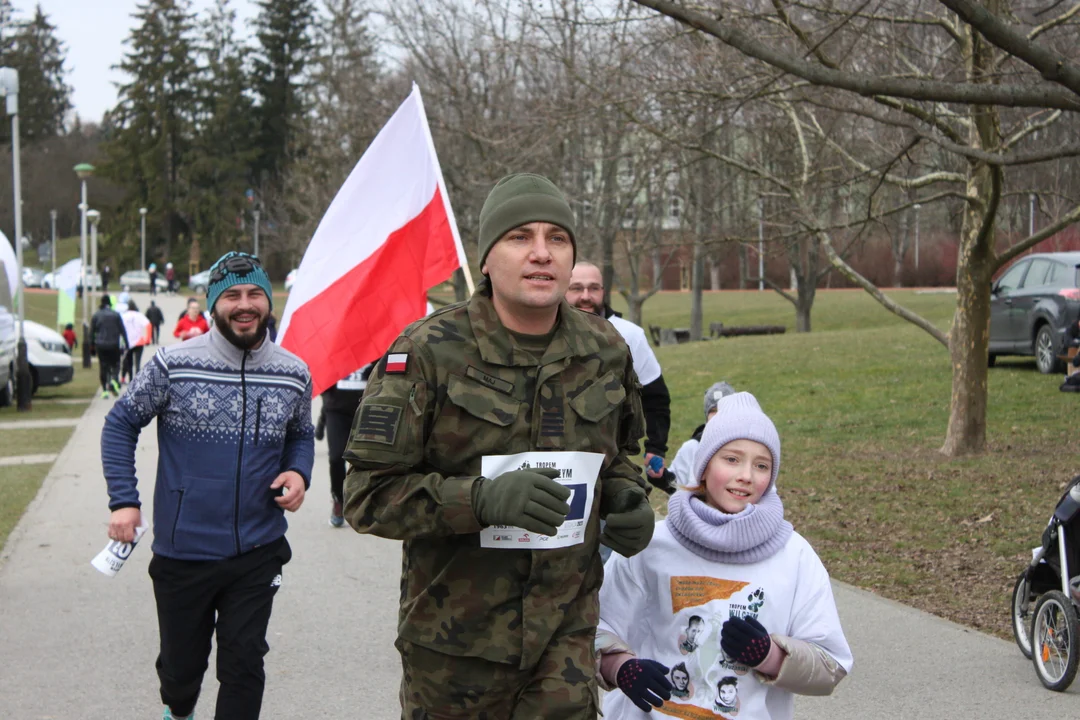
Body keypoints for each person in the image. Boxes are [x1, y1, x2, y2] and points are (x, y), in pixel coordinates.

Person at [343, 172, 654, 718]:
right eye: (520, 237)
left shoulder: (606, 348)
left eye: (557, 238)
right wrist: (480, 500)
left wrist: (630, 501)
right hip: (455, 651)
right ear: (487, 258)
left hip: (566, 640)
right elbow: (367, 497)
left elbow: (619, 460)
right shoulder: (428, 351)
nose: (541, 254)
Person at [100, 251, 314, 720]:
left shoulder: (293, 372)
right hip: (184, 551)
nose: (245, 304)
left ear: (268, 301)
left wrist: (299, 472)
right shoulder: (172, 364)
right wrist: (124, 501)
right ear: (213, 303)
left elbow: (300, 433)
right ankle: (179, 709)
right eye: (232, 295)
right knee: (181, 672)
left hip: (258, 549)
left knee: (244, 664)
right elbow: (120, 424)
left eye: (255, 293)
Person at [596, 392, 852, 718]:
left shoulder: (794, 556)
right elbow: (591, 626)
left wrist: (770, 655)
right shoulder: (652, 545)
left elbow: (830, 665)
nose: (746, 474)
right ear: (704, 466)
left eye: (761, 465)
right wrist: (620, 667)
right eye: (731, 459)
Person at [566, 261, 672, 494]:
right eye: (576, 288)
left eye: (594, 288)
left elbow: (656, 399)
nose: (586, 296)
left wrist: (656, 448)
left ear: (603, 291)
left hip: (611, 462)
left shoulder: (629, 335)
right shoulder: (543, 332)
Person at [670, 381, 736, 487]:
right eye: (713, 410)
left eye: (724, 410)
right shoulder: (692, 448)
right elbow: (676, 484)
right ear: (706, 415)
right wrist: (659, 476)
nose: (718, 415)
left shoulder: (746, 446)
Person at [90, 295, 127, 399]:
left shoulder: (96, 315)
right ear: (110, 303)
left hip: (100, 345)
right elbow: (122, 331)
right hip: (114, 344)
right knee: (116, 364)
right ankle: (114, 380)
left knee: (103, 366)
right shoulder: (116, 315)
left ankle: (105, 391)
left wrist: (91, 347)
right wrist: (126, 343)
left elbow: (91, 332)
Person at [120, 300, 151, 383]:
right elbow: (148, 325)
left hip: (128, 342)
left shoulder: (123, 316)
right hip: (139, 342)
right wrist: (147, 339)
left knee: (128, 361)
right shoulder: (139, 315)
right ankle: (137, 380)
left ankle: (129, 379)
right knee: (137, 362)